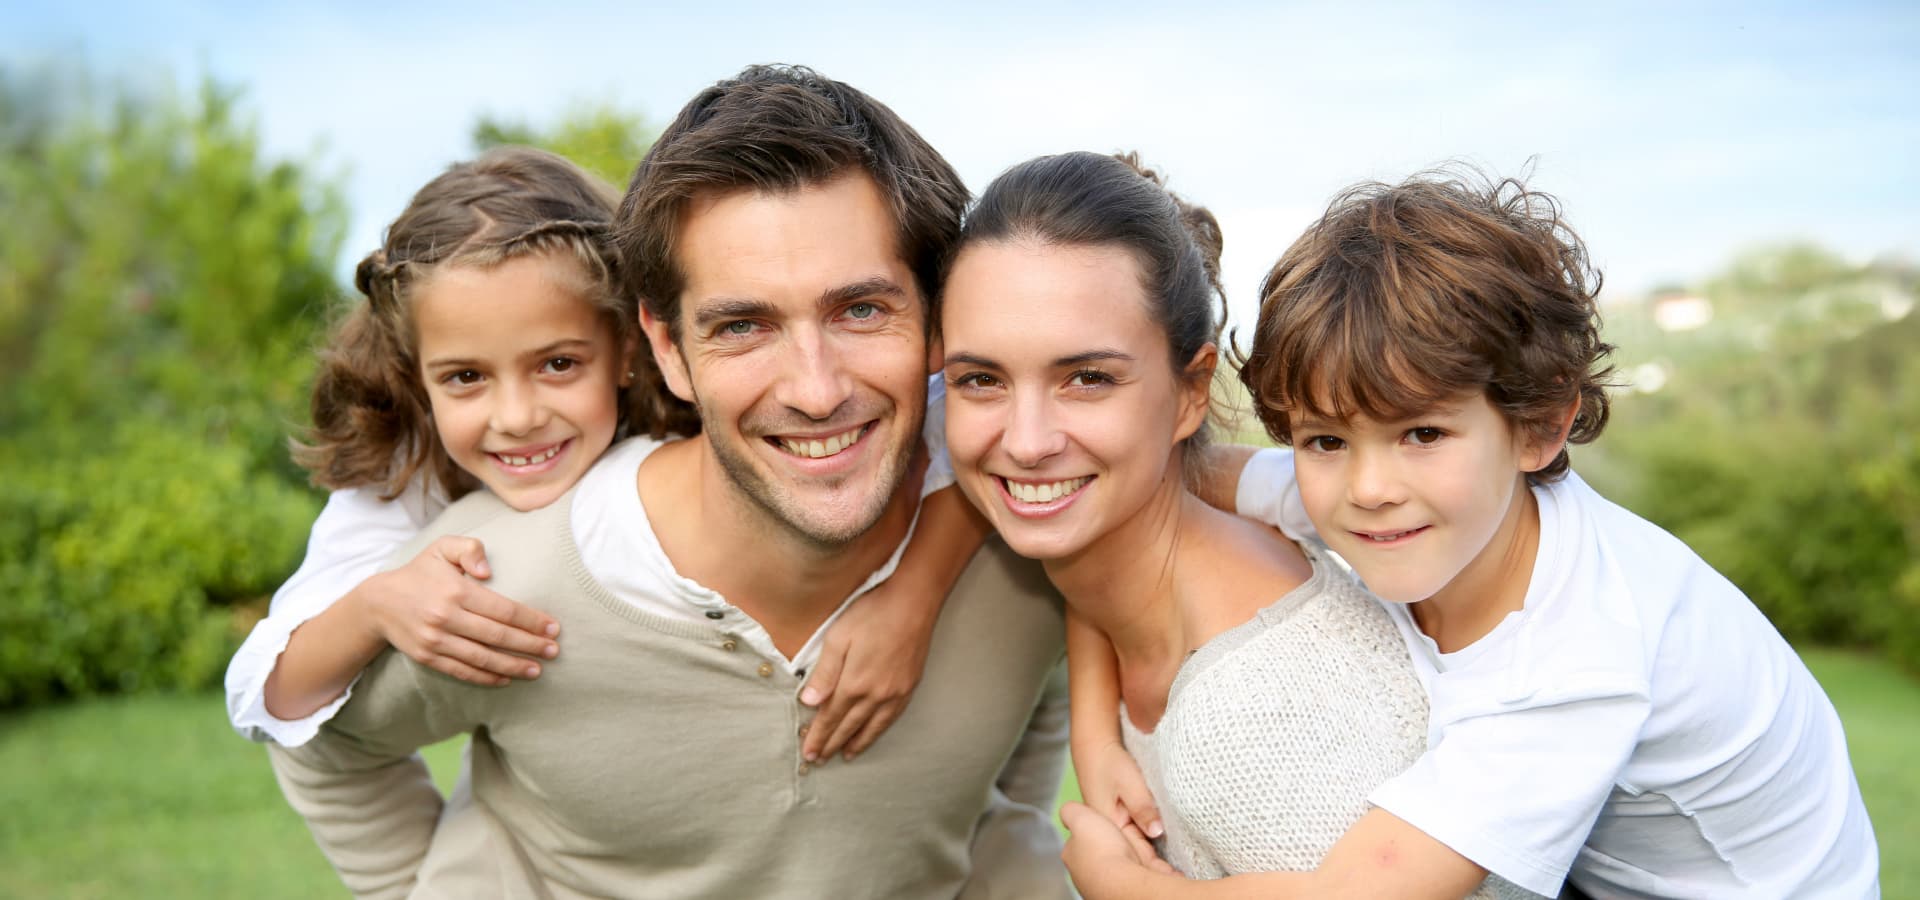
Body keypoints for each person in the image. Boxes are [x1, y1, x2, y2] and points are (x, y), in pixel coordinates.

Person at [266, 65, 1071, 899]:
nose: (816, 388)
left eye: (860, 310)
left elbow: (1039, 687)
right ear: (665, 347)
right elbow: (320, 744)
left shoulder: (1034, 539)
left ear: (941, 317)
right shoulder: (491, 586)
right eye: (742, 325)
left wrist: (1001, 853)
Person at [1060, 170, 1881, 898]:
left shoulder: (1575, 657)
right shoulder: (1386, 503)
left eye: (1423, 434)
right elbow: (1129, 495)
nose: (1370, 489)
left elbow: (1358, 894)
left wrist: (1124, 886)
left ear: (1541, 427)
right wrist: (1095, 733)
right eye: (1325, 440)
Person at [224, 146, 984, 767]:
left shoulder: (712, 397)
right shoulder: (405, 473)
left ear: (629, 348)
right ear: (415, 373)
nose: (517, 418)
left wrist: (909, 600)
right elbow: (268, 694)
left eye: (558, 364)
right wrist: (376, 604)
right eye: (465, 377)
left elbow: (959, 421)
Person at [937, 151, 1504, 892]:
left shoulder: (1255, 721)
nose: (1026, 441)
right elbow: (1097, 591)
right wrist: (1093, 726)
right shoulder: (1157, 576)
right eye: (981, 380)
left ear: (1190, 392)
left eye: (1087, 379)